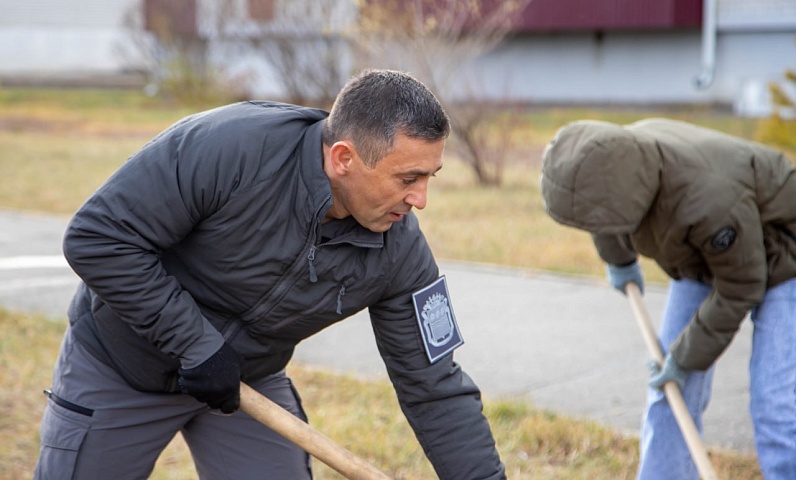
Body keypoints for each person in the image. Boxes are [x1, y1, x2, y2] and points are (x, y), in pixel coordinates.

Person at [34, 69, 506, 480]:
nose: (420, 199)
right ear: (343, 159)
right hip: (121, 365)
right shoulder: (231, 148)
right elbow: (97, 237)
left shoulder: (400, 251)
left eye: (430, 177)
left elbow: (436, 386)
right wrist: (196, 346)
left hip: (243, 383)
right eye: (407, 179)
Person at [539, 117, 796, 480]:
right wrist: (620, 260)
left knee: (777, 406)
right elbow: (599, 213)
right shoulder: (616, 164)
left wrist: (685, 356)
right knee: (668, 389)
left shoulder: (708, 199)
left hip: (784, 253)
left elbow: (742, 285)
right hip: (707, 255)